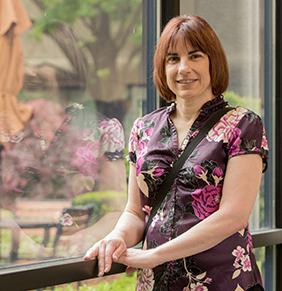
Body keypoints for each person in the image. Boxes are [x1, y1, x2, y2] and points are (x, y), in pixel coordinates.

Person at [84, 15, 268, 291]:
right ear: (163, 67)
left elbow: (234, 215)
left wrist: (152, 256)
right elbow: (136, 211)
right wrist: (117, 237)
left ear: (212, 61)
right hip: (156, 282)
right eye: (172, 59)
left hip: (222, 281)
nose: (184, 68)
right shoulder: (143, 128)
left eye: (195, 56)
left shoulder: (243, 124)